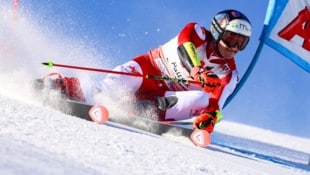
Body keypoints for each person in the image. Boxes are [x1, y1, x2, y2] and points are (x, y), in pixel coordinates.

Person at [37, 9, 252, 134]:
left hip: (164, 98)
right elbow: (184, 47)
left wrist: (209, 120)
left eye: (241, 43)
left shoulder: (228, 74)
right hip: (148, 71)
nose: (234, 47)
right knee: (113, 85)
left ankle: (141, 111)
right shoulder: (196, 32)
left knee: (202, 99)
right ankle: (62, 85)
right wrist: (197, 71)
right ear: (217, 31)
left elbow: (216, 107)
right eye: (231, 39)